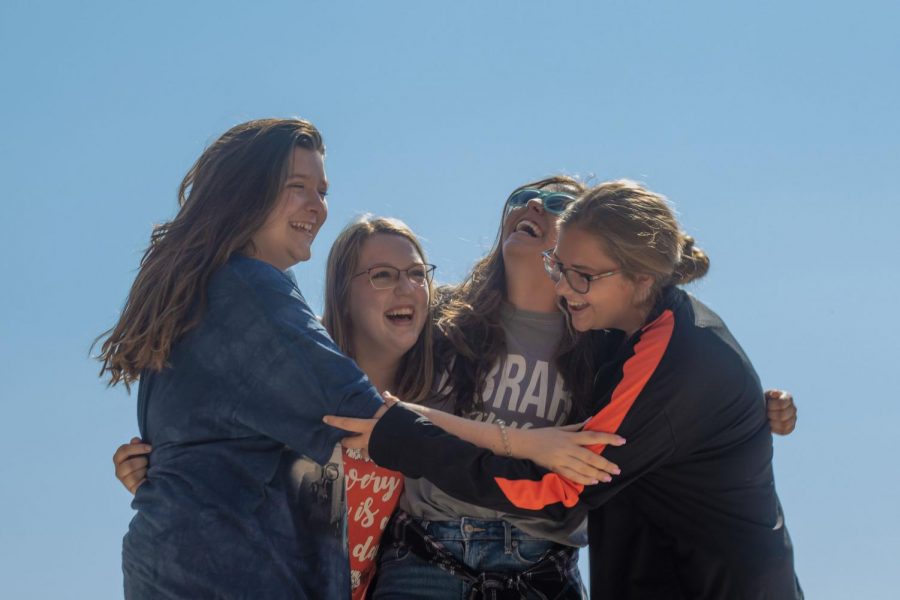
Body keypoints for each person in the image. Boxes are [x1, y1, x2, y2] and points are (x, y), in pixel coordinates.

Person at [112, 212, 621, 598]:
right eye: (382, 275)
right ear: (342, 292)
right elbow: (225, 441)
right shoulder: (302, 388)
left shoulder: (440, 384)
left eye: (418, 273)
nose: (407, 288)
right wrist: (162, 468)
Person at [335, 180, 803, 598]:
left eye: (556, 202)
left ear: (634, 274)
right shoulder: (445, 319)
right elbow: (362, 352)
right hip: (429, 552)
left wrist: (403, 434)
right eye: (519, 198)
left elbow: (567, 484)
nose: (534, 204)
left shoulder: (604, 344)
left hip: (550, 567)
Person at [97, 119, 390, 599]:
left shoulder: (209, 296)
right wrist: (522, 449)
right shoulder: (256, 302)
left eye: (323, 190)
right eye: (298, 186)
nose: (318, 206)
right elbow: (370, 419)